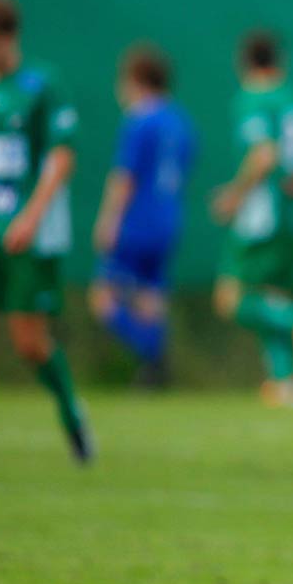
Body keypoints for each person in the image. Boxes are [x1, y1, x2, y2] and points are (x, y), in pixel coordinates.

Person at [0, 0, 91, 464]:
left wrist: (32, 216)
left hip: (26, 230)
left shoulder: (43, 86)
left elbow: (62, 156)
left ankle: (72, 415)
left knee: (29, 341)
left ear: (11, 38)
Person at [210, 30, 293, 407]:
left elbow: (263, 154)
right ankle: (285, 382)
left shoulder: (254, 99)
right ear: (279, 60)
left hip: (262, 215)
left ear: (244, 62)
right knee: (270, 295)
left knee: (231, 298)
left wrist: (234, 194)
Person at [89, 44, 195, 388]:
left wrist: (108, 220)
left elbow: (125, 177)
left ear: (135, 80)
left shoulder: (139, 120)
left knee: (103, 297)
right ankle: (153, 373)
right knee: (151, 298)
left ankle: (151, 351)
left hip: (136, 221)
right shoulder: (182, 123)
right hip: (168, 219)